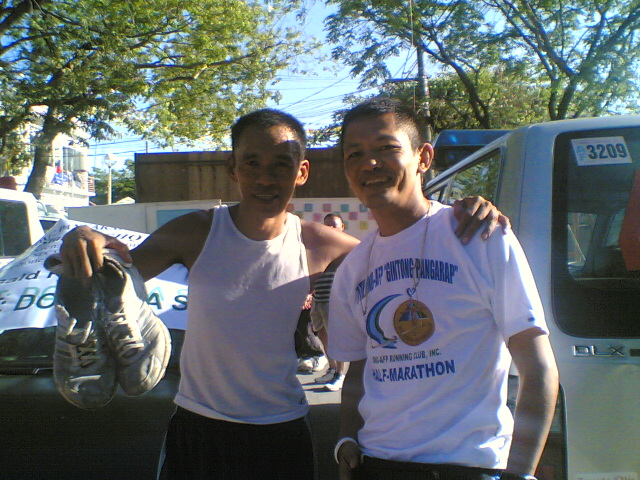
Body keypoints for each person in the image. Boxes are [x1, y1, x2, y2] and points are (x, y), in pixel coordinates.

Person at [58, 108, 507, 480]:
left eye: (281, 164)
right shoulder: (197, 232)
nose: (266, 177)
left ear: (302, 171)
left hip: (281, 432)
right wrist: (83, 237)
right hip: (198, 427)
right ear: (233, 168)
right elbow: (117, 273)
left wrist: (464, 210)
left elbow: (401, 247)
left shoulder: (322, 244)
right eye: (251, 163)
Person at [328, 98, 559, 480]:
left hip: (467, 467)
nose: (370, 163)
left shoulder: (480, 236)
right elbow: (359, 370)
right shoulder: (352, 270)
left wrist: (520, 473)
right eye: (355, 154)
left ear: (423, 157)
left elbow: (537, 367)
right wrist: (346, 439)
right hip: (377, 464)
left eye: (386, 148)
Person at [311, 213, 349, 391]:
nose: (331, 229)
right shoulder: (320, 247)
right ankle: (332, 369)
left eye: (334, 225)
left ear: (342, 227)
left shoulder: (347, 246)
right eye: (327, 225)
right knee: (322, 333)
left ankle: (341, 374)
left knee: (337, 337)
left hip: (335, 300)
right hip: (318, 297)